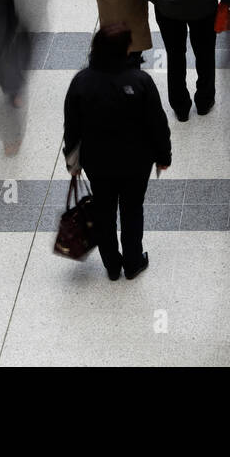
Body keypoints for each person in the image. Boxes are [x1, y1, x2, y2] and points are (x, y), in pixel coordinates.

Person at [62, 23, 172, 281]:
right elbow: (157, 123)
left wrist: (72, 161)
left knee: (104, 211)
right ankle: (133, 262)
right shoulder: (140, 81)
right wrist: (163, 156)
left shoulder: (81, 82)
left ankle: (112, 264)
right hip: (136, 162)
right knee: (133, 209)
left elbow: (72, 126)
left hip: (98, 162)